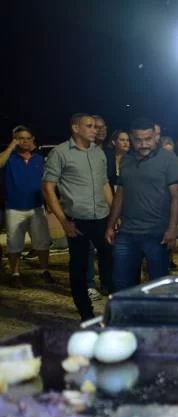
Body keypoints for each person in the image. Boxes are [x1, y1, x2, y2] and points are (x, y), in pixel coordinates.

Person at [43, 113, 114, 321]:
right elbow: (48, 187)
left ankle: (113, 307)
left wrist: (114, 214)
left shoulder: (98, 152)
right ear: (75, 128)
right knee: (79, 267)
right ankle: (86, 313)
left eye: (96, 126)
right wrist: (64, 221)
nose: (95, 130)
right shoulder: (60, 152)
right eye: (89, 126)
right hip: (77, 220)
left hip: (102, 217)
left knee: (110, 261)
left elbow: (104, 184)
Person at [105, 118, 178, 292]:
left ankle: (154, 311)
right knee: (122, 284)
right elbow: (120, 194)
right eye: (138, 140)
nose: (144, 144)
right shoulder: (126, 160)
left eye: (148, 139)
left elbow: (177, 197)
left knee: (158, 286)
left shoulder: (169, 159)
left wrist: (172, 229)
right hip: (127, 233)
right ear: (131, 139)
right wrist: (111, 224)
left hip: (157, 233)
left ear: (155, 137)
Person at [0, 126, 53, 287]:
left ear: (33, 139)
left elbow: (47, 182)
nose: (25, 141)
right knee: (14, 243)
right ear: (15, 140)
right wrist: (11, 146)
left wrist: (50, 203)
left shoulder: (39, 159)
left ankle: (44, 271)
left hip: (37, 206)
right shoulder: (9, 158)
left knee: (42, 242)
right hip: (14, 207)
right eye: (20, 138)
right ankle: (15, 274)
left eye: (28, 138)